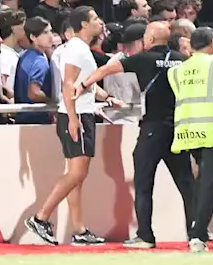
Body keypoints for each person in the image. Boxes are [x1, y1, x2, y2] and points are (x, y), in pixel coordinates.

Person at [76, 19, 193, 248]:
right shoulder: (181, 60)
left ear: (148, 39)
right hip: (178, 128)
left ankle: (145, 236)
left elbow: (106, 69)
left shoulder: (142, 59)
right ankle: (196, 232)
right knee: (186, 182)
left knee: (143, 183)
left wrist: (83, 85)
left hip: (152, 128)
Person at [25, 6, 114, 246]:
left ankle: (79, 229)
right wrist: (74, 119)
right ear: (83, 24)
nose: (100, 22)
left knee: (77, 177)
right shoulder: (76, 48)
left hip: (77, 113)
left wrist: (106, 97)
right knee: (77, 173)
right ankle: (41, 218)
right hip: (77, 116)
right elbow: (68, 84)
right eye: (95, 18)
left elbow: (85, 84)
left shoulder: (75, 48)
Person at [166, 27, 213, 252]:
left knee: (200, 182)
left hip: (188, 132)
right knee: (208, 184)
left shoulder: (176, 70)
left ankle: (197, 228)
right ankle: (198, 234)